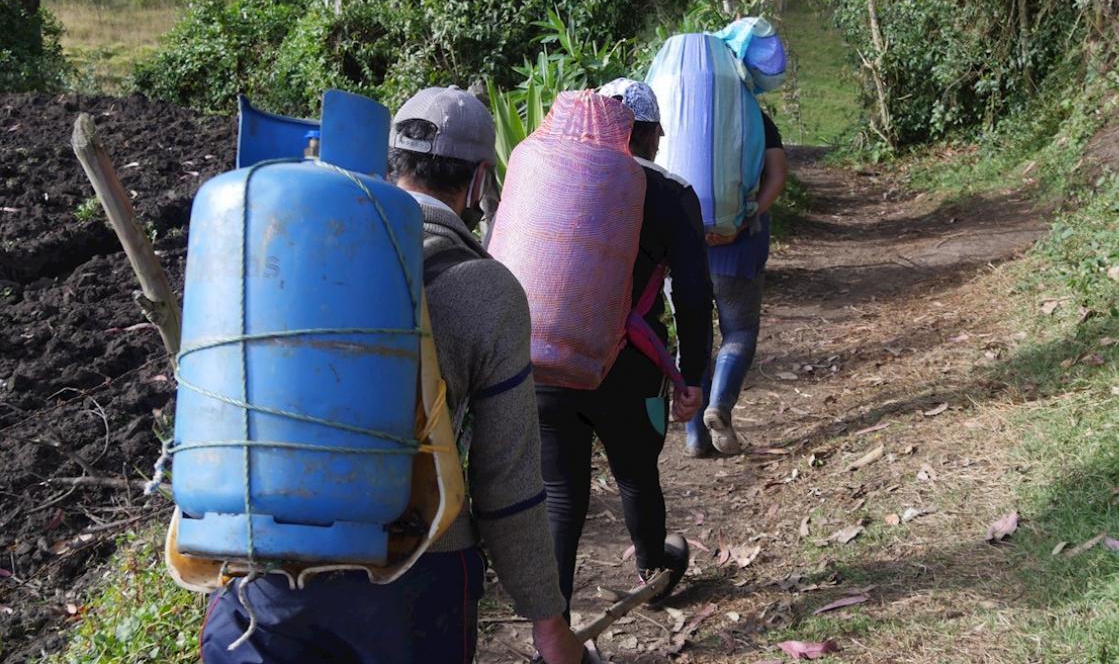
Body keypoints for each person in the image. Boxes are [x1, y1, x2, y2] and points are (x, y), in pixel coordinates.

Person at [200, 86, 584, 664]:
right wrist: (546, 617)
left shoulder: (277, 247)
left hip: (261, 569)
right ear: (480, 183)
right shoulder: (487, 291)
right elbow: (506, 484)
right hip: (412, 578)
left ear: (387, 164)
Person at [536, 79, 712, 613]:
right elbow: (694, 294)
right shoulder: (669, 191)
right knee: (636, 473)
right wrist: (693, 374)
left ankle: (554, 627)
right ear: (650, 134)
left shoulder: (557, 174)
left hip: (546, 362)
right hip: (629, 368)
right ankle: (653, 573)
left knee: (560, 493)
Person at [684, 110, 788, 457]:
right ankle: (719, 404)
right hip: (740, 249)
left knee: (691, 336)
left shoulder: (679, 112)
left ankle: (694, 437)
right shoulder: (755, 118)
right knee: (740, 331)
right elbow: (777, 176)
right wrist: (744, 221)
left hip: (685, 250)